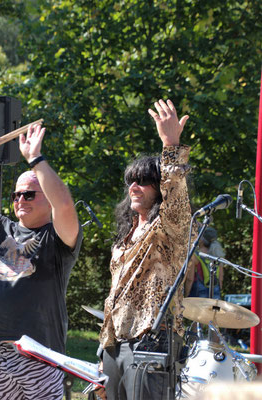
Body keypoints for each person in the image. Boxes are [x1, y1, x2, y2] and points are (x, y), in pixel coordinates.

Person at [0, 124, 82, 400]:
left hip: (40, 351)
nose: (20, 199)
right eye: (16, 195)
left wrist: (35, 160)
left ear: (47, 199)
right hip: (0, 348)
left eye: (29, 194)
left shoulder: (57, 236)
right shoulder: (1, 227)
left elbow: (66, 207)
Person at [99, 99, 191, 400]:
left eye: (143, 181)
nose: (134, 187)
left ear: (159, 188)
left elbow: (176, 196)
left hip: (154, 339)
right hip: (116, 343)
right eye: (131, 182)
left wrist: (171, 144)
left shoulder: (168, 230)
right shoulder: (125, 237)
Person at [186, 227, 224, 299]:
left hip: (198, 292)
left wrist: (186, 294)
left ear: (202, 240)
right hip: (215, 291)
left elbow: (189, 278)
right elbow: (220, 278)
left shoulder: (195, 255)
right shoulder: (218, 255)